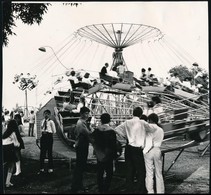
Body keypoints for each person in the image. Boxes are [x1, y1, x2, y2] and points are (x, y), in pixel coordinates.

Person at [114, 107, 156, 193]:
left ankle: (129, 188)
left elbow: (116, 129)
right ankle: (139, 189)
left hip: (129, 147)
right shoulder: (142, 123)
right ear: (141, 114)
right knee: (140, 170)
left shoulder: (127, 122)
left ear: (133, 113)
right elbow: (152, 130)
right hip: (138, 149)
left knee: (129, 169)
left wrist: (125, 136)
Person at [91, 113, 117, 193]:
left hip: (99, 154)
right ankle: (106, 189)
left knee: (100, 172)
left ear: (101, 120)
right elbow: (113, 145)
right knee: (109, 173)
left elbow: (92, 140)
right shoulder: (111, 131)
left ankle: (100, 188)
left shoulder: (97, 130)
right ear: (109, 120)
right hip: (108, 155)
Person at [71, 107, 94, 193]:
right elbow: (88, 134)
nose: (87, 115)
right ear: (81, 114)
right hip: (81, 147)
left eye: (88, 113)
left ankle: (78, 185)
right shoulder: (81, 123)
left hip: (82, 146)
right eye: (86, 113)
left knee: (80, 166)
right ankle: (76, 186)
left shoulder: (83, 122)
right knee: (80, 167)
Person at [143, 113, 165, 194]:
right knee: (159, 173)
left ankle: (150, 191)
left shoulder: (149, 129)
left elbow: (149, 143)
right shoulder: (161, 129)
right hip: (157, 150)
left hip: (149, 151)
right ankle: (160, 191)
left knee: (149, 173)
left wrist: (144, 152)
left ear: (150, 120)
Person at [38, 109, 56, 174]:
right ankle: (41, 168)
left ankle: (50, 168)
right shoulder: (42, 121)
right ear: (43, 114)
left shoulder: (51, 122)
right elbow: (41, 129)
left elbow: (54, 131)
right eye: (45, 114)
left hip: (49, 137)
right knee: (42, 153)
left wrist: (48, 132)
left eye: (47, 114)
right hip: (43, 137)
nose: (46, 115)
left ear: (49, 115)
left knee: (49, 153)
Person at [3, 119, 20, 187]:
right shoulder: (13, 133)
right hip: (10, 149)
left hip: (3, 148)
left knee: (4, 164)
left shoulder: (5, 132)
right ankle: (7, 182)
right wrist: (19, 144)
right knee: (11, 166)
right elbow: (16, 144)